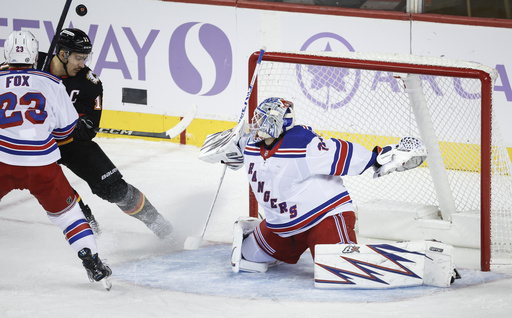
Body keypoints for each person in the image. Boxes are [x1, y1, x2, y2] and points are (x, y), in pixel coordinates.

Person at [201, 97, 427, 273]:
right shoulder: (250, 144)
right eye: (257, 118)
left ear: (279, 123)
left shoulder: (303, 146)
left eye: (263, 120)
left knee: (342, 268)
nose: (257, 124)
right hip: (282, 227)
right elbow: (220, 153)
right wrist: (224, 147)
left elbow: (344, 153)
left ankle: (417, 257)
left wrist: (380, 157)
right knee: (248, 257)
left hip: (324, 217)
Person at [0, 30, 111, 284]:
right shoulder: (52, 83)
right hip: (41, 164)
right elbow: (63, 131)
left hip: (3, 160)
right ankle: (91, 259)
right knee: (69, 215)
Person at [46, 28, 173, 239]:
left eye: (85, 58)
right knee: (54, 191)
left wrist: (83, 126)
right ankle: (87, 226)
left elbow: (91, 125)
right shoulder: (30, 66)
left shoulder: (89, 83)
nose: (82, 64)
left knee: (115, 190)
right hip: (35, 145)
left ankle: (157, 222)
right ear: (62, 54)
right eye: (78, 58)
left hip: (71, 142)